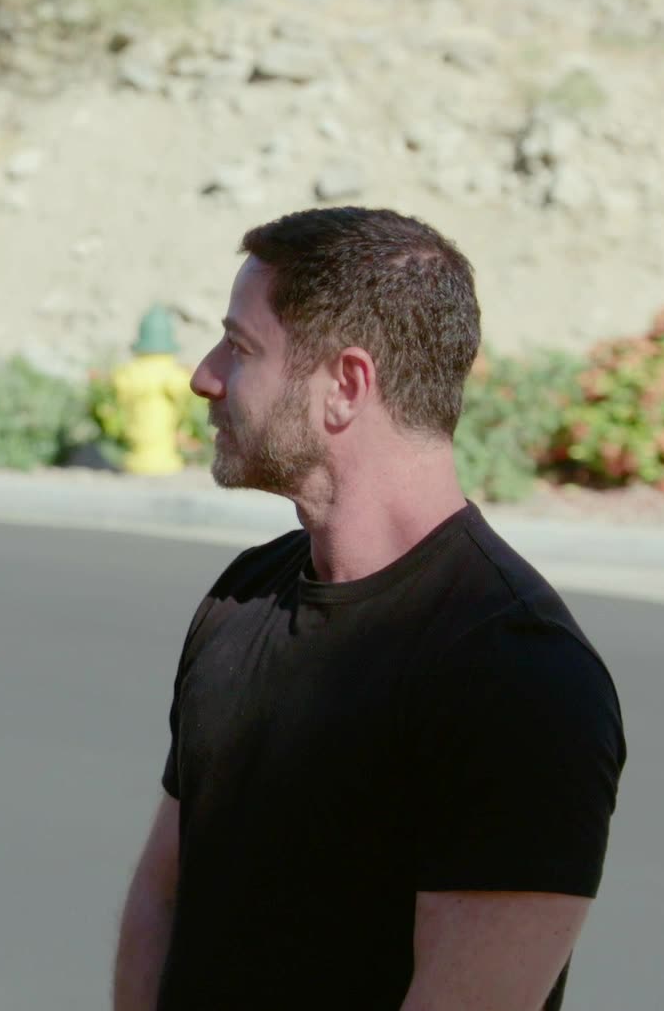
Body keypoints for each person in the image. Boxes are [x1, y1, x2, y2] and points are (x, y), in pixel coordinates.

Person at [111, 207, 627, 1010]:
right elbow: (163, 895)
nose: (204, 377)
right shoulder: (241, 596)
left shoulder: (522, 674)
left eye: (240, 347)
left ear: (346, 387)